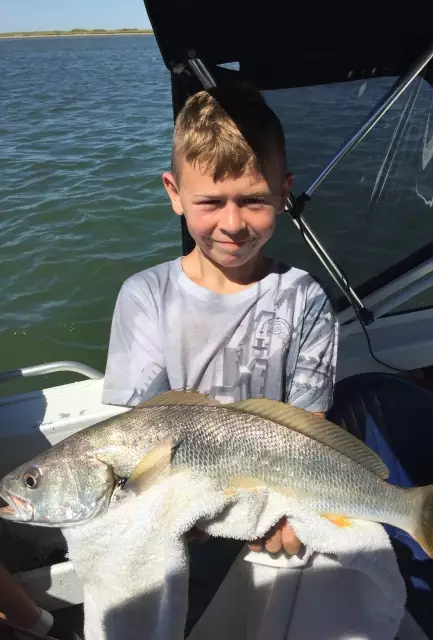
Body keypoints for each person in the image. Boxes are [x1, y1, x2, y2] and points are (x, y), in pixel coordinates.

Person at [101, 81, 338, 628]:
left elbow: (309, 429)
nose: (233, 223)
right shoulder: (144, 297)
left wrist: (286, 510)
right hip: (178, 527)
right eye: (210, 201)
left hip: (275, 509)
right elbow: (143, 438)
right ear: (174, 192)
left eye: (254, 199)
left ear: (284, 192)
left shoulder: (305, 298)